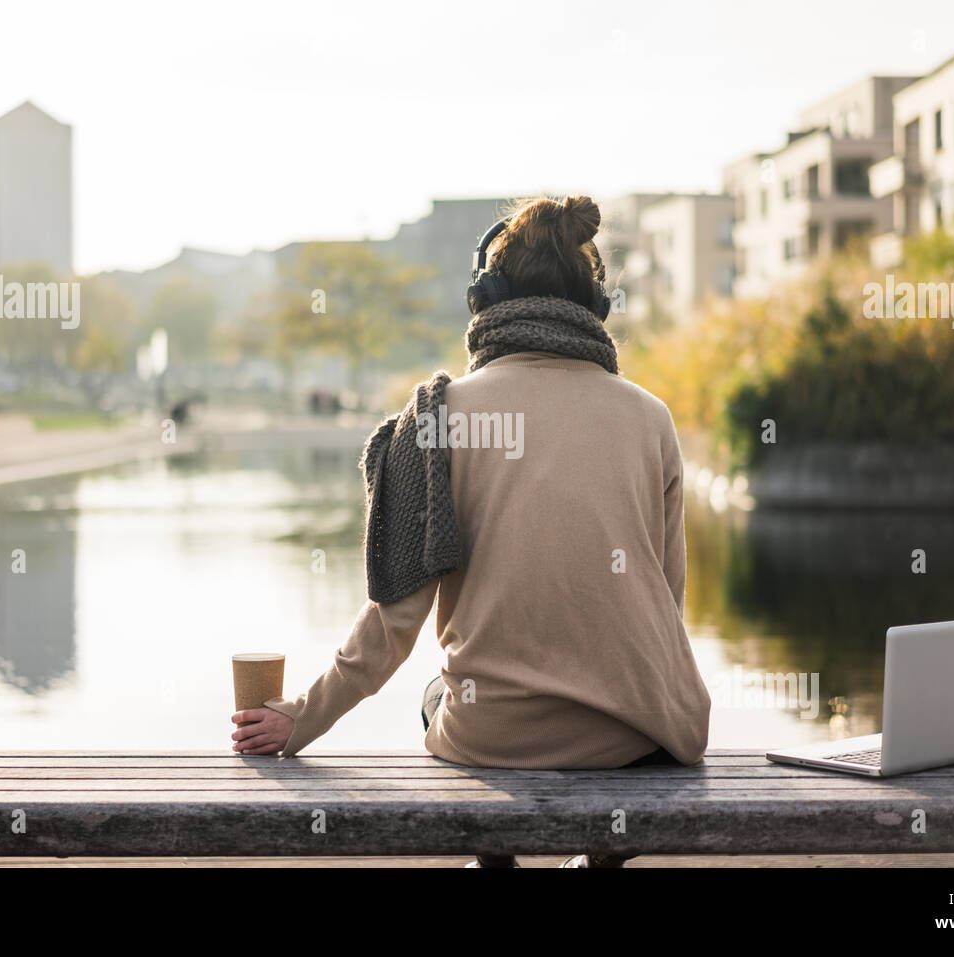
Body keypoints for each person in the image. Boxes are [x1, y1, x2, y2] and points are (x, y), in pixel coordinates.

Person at [231, 194, 712, 868]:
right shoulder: (651, 417)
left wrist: (301, 718)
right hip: (634, 734)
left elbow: (395, 621)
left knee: (437, 694)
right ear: (594, 303)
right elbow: (668, 605)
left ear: (486, 296)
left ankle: (495, 860)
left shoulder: (441, 416)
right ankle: (600, 863)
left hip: (493, 735)